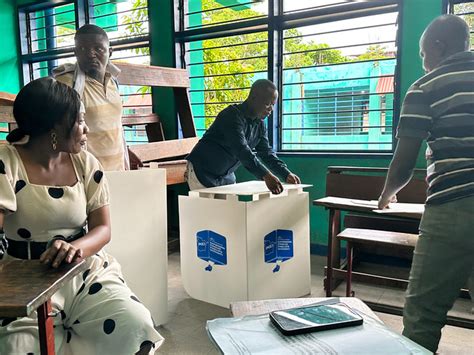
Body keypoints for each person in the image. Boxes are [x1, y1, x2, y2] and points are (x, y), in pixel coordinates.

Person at [0, 77, 163, 354]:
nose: (86, 129)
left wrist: (75, 247)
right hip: (23, 277)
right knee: (17, 347)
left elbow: (103, 229)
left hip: (85, 271)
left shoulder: (85, 163)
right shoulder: (7, 161)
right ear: (55, 127)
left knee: (135, 326)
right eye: (80, 121)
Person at [377, 15, 474, 353]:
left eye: (421, 54)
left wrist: (386, 195)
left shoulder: (426, 87)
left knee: (423, 314)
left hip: (454, 207)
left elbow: (404, 165)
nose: (423, 61)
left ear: (438, 45)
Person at [186, 79, 300, 194]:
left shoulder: (260, 124)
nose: (271, 109)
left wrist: (286, 173)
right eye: (267, 103)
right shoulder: (231, 116)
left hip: (226, 175)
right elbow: (241, 150)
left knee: (230, 211)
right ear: (253, 97)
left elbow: (266, 153)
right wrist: (266, 175)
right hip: (202, 171)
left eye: (273, 104)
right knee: (208, 211)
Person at [53, 24, 129, 171]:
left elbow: (117, 129)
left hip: (118, 171)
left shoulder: (113, 82)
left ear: (110, 52)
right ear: (75, 52)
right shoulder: (67, 83)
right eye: (82, 49)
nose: (90, 54)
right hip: (87, 175)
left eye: (98, 48)